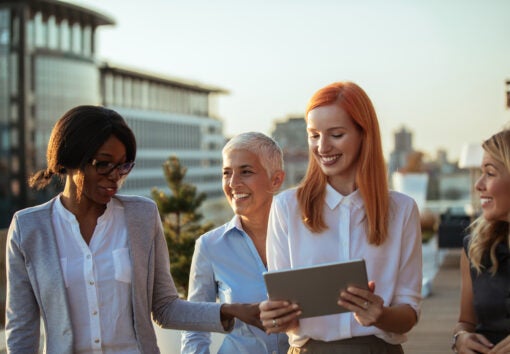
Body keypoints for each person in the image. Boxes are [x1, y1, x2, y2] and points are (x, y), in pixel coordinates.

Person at [5, 105, 242, 353]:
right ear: (72, 158)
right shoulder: (29, 228)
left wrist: (230, 311)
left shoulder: (142, 216)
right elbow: (21, 329)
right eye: (104, 164)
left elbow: (164, 307)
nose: (115, 176)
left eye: (123, 166)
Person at [258, 81, 423, 353]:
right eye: (314, 135)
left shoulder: (402, 210)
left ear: (363, 135)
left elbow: (409, 312)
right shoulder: (286, 207)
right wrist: (274, 316)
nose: (322, 147)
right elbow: (283, 313)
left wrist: (380, 315)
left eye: (335, 135)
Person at [181, 132, 289, 353]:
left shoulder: (303, 238)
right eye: (226, 173)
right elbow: (194, 326)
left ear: (276, 180)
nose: (233, 183)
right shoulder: (210, 246)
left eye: (246, 172)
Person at [452, 129, 510, 354]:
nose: (478, 184)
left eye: (490, 173)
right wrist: (461, 338)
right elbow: (465, 322)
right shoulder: (474, 248)